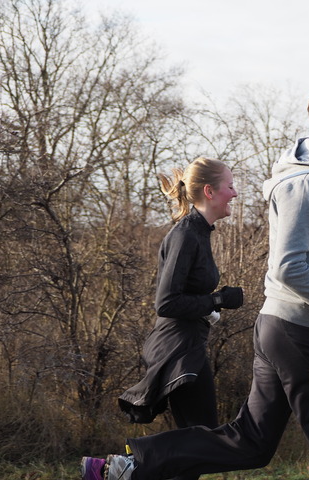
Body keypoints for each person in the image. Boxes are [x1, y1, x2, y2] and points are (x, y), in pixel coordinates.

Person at [81, 80, 309, 480]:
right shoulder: (306, 183)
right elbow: (288, 268)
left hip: (284, 328)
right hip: (296, 331)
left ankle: (129, 467)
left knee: (251, 443)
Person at [81, 157, 244, 480]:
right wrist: (217, 299)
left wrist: (210, 309)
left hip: (187, 344)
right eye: (230, 186)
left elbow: (184, 295)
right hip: (178, 349)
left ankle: (114, 468)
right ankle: (111, 466)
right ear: (210, 191)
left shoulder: (200, 232)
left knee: (196, 445)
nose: (235, 193)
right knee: (204, 439)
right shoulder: (186, 234)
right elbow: (166, 302)